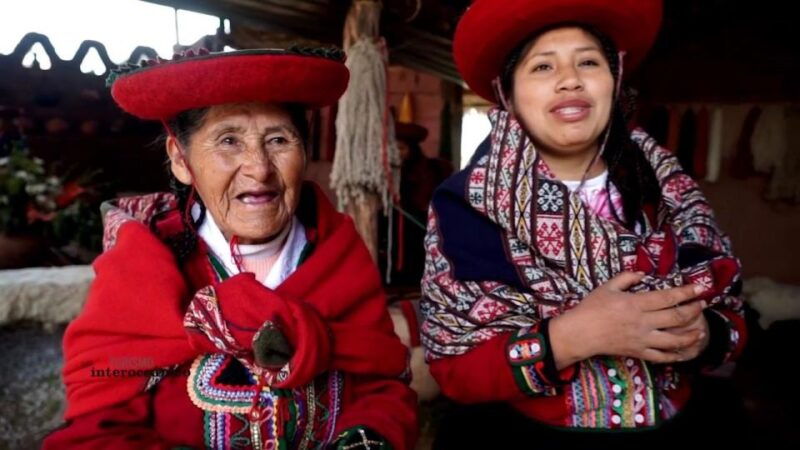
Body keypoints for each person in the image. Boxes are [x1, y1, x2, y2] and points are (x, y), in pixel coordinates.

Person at [44, 47, 417, 450]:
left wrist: (367, 437)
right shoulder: (143, 265)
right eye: (228, 141)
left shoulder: (337, 252)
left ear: (304, 152)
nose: (259, 167)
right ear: (181, 160)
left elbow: (383, 381)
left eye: (278, 139)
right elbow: (99, 422)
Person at [420, 1, 748, 448]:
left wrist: (705, 333)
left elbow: (731, 314)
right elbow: (453, 368)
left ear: (615, 80)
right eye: (542, 67)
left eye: (589, 62)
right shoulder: (465, 208)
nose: (570, 79)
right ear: (507, 93)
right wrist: (571, 337)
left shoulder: (666, 188)